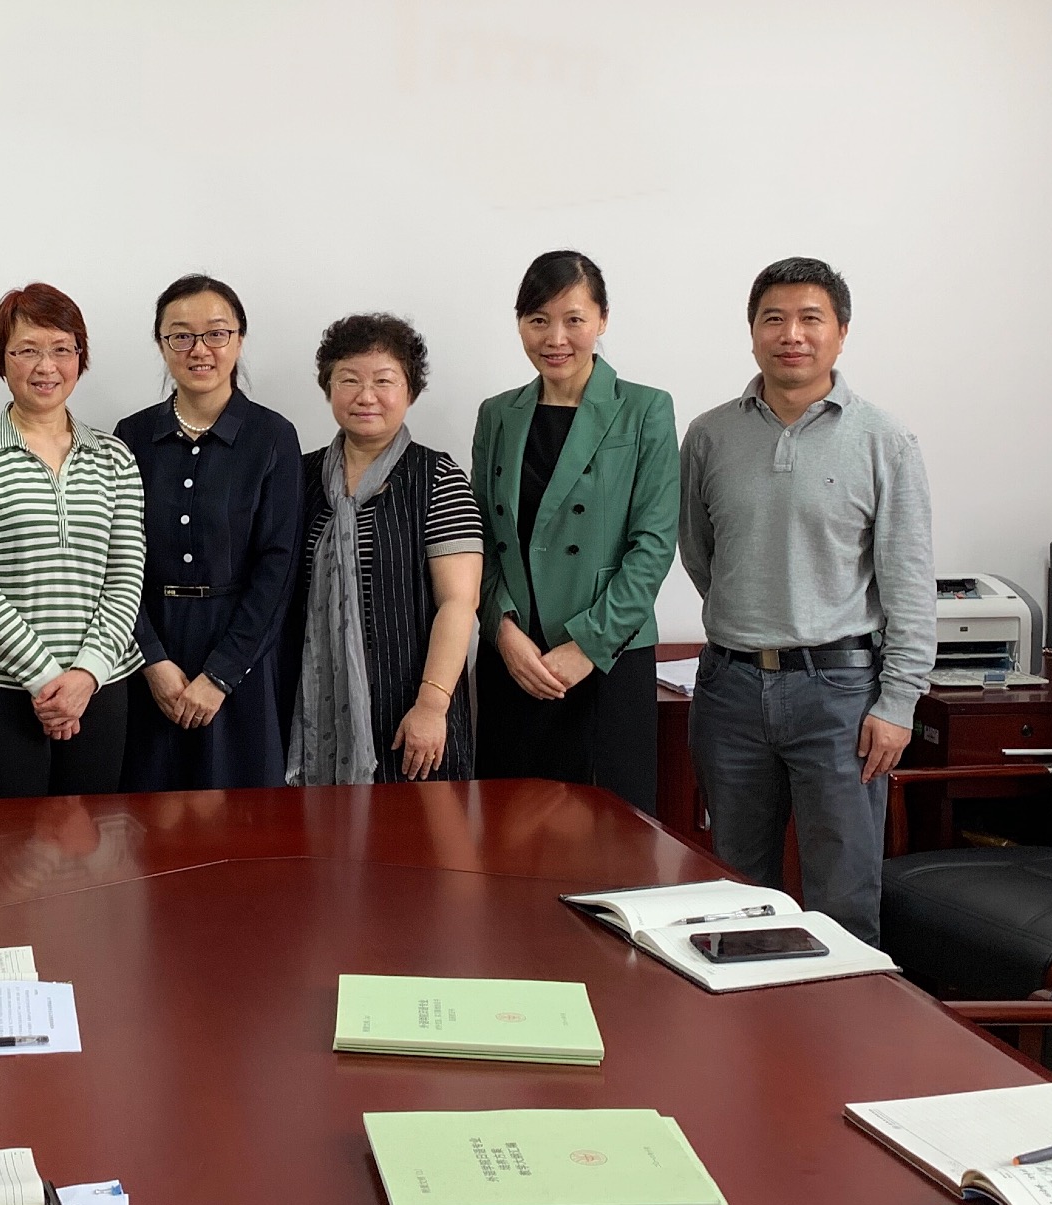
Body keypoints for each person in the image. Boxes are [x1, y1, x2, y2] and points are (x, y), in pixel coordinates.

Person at [679, 257, 933, 945]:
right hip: (729, 689)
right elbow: (700, 552)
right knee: (731, 891)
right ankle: (745, 1013)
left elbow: (908, 582)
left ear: (840, 332)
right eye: (774, 319)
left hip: (841, 695)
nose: (791, 334)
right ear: (752, 332)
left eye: (810, 318)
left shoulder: (884, 440)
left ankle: (846, 1018)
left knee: (843, 895)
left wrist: (898, 702)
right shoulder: (708, 435)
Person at [471, 251, 679, 812]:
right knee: (507, 834)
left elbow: (654, 544)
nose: (555, 337)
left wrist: (588, 645)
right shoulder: (497, 414)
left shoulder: (644, 409)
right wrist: (502, 629)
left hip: (606, 659)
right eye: (538, 320)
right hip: (514, 659)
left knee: (609, 836)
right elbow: (481, 536)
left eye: (574, 319)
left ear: (602, 319)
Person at [0, 283, 147, 799]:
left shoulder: (115, 457)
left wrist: (84, 676)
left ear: (80, 357)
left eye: (61, 349)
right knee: (7, 845)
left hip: (99, 687)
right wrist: (46, 680)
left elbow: (126, 579)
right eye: (27, 350)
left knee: (90, 840)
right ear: (2, 360)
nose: (46, 366)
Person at [116, 275, 302, 790]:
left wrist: (221, 674)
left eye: (216, 333)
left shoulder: (273, 435)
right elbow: (117, 558)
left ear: (239, 339)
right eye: (181, 335)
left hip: (242, 654)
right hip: (149, 648)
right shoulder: (131, 436)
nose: (199, 349)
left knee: (241, 819)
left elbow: (278, 568)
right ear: (161, 344)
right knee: (148, 817)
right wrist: (152, 660)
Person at [287, 314, 483, 786]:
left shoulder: (437, 478)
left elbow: (459, 603)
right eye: (348, 380)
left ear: (410, 390)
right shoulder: (298, 477)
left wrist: (431, 705)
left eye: (383, 380)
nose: (366, 395)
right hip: (312, 705)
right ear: (328, 387)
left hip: (411, 709)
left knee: (415, 832)